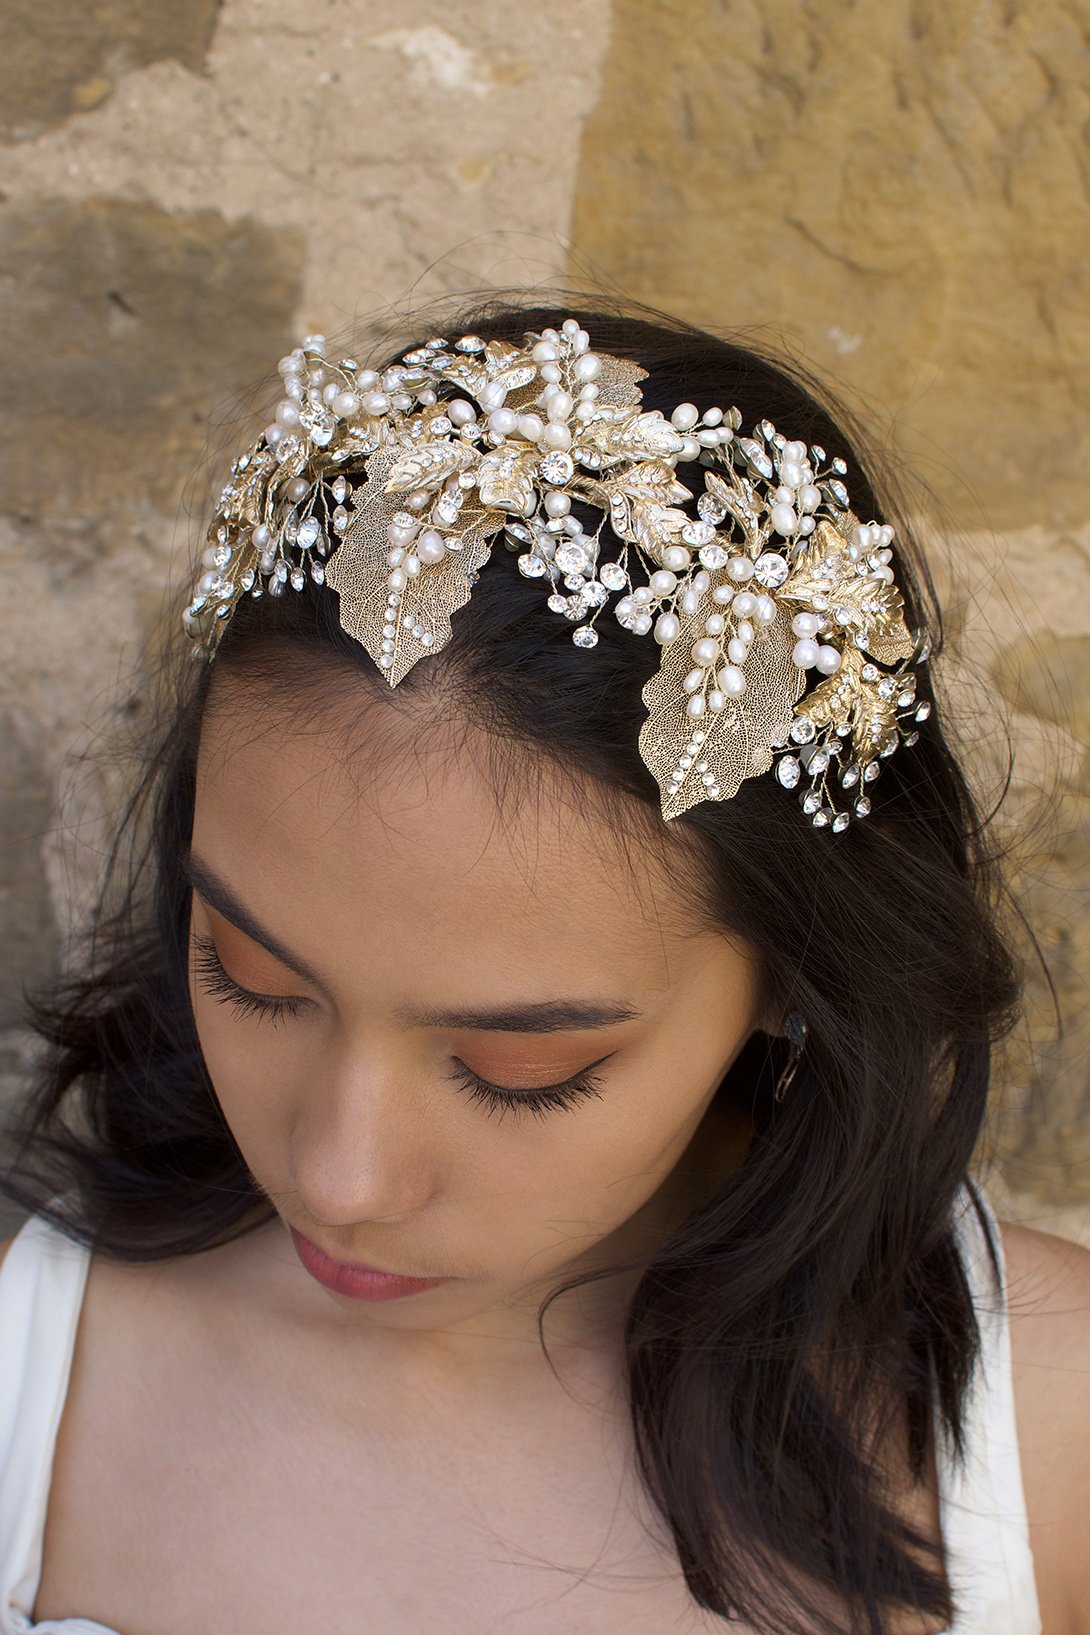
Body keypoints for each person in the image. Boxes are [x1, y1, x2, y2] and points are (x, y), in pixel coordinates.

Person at [0, 297, 1087, 1635]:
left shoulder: (1051, 1422)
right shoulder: (37, 1381)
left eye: (522, 1069)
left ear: (790, 990)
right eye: (250, 974)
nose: (340, 1178)